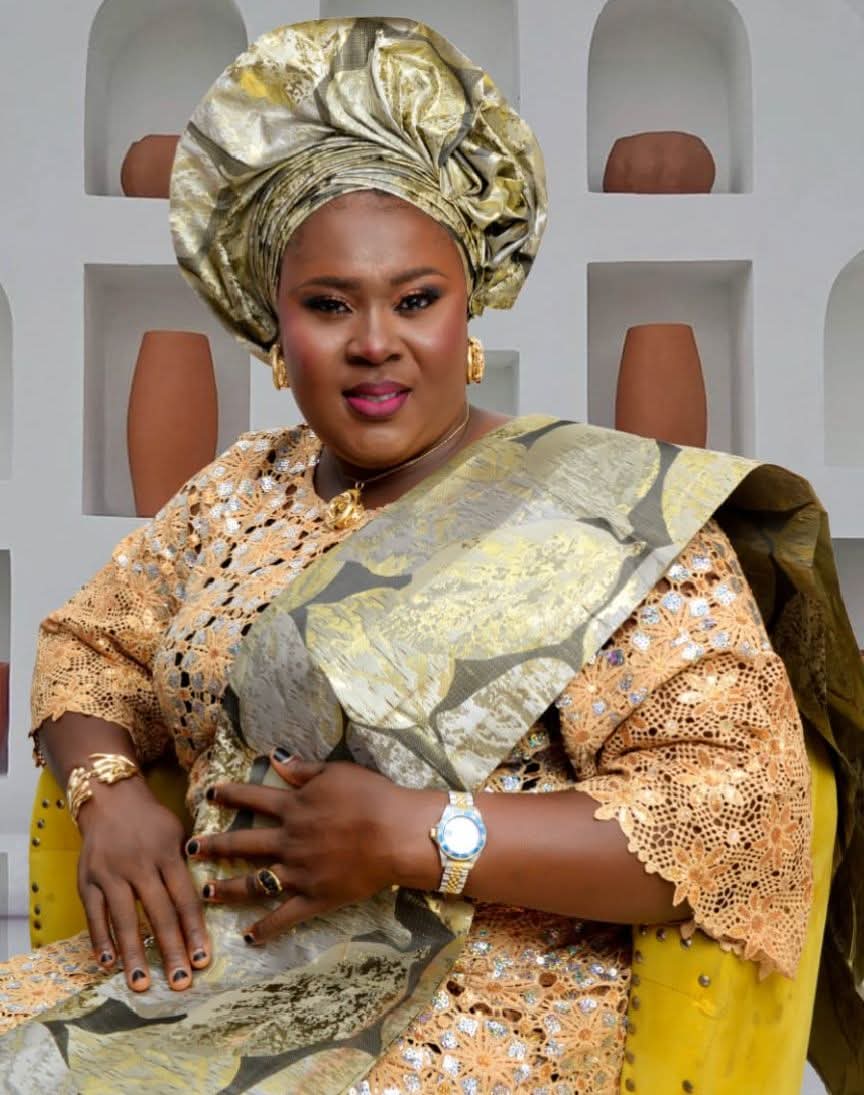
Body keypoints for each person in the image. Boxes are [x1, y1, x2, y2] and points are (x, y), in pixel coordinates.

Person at [0, 17, 862, 1094]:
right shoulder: (238, 490)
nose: (376, 343)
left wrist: (424, 833)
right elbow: (92, 647)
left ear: (469, 310)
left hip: (478, 1003)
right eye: (329, 305)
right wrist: (109, 791)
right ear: (275, 328)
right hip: (207, 973)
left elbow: (738, 813)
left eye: (416, 300)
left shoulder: (600, 507)